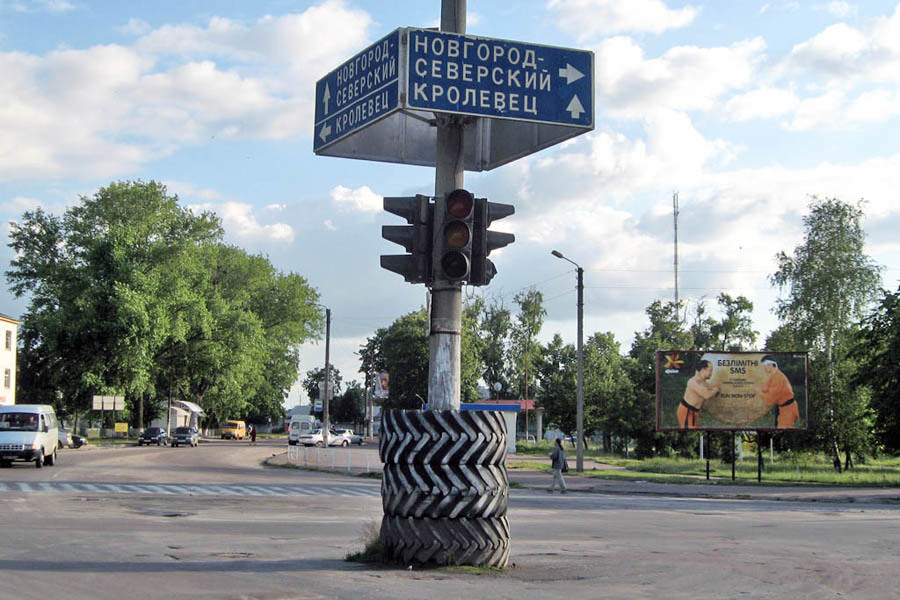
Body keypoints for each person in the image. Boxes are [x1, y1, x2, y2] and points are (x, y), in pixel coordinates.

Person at [756, 355, 799, 428]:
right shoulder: (775, 375)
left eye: (764, 366)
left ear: (770, 365)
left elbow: (769, 399)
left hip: (788, 410)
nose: (764, 368)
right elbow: (767, 388)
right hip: (783, 408)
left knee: (783, 430)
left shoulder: (778, 378)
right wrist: (756, 387)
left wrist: (758, 392)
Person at [678, 360, 720, 429]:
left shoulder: (705, 383)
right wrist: (715, 390)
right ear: (703, 370)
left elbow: (712, 392)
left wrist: (715, 391)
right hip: (687, 411)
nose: (711, 373)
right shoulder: (693, 382)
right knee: (690, 432)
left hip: (694, 412)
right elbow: (707, 395)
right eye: (710, 370)